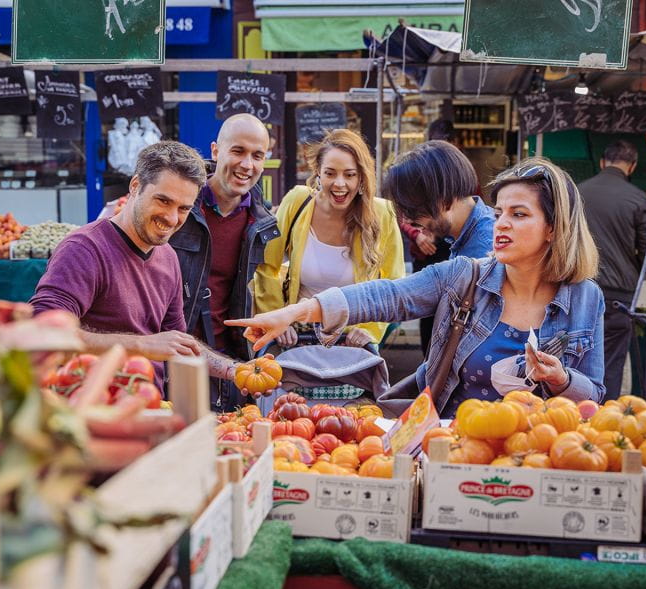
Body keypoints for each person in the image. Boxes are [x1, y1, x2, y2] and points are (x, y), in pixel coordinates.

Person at [229, 157, 606, 417]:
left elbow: (595, 395)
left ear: (553, 228)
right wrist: (294, 312)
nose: (502, 224)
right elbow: (388, 295)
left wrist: (562, 380)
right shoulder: (464, 276)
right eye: (499, 213)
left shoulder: (586, 299)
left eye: (519, 214)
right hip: (449, 449)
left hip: (541, 455)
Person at [30, 141, 240, 390]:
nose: (172, 218)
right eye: (163, 201)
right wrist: (141, 345)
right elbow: (43, 334)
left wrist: (235, 371)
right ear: (135, 186)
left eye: (184, 208)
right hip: (89, 404)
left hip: (149, 405)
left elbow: (178, 345)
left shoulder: (168, 257)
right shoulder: (84, 249)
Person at [253, 129, 404, 351]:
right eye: (330, 173)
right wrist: (278, 318)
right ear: (318, 173)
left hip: (353, 342)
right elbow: (267, 266)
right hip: (297, 338)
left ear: (361, 177)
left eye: (349, 175)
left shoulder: (382, 214)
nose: (339, 184)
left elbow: (395, 283)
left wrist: (371, 329)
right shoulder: (297, 201)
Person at [168, 113, 280, 411]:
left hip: (230, 363)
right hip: (173, 357)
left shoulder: (262, 221)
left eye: (257, 155)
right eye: (238, 151)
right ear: (216, 151)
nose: (247, 164)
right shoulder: (180, 206)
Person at [388, 141, 494, 355]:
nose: (407, 220)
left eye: (413, 211)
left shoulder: (483, 250)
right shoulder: (469, 234)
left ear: (445, 201)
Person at [577, 140, 646, 400]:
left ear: (602, 162)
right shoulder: (638, 199)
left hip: (579, 286)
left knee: (576, 354)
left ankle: (574, 413)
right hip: (620, 293)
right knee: (612, 359)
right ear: (632, 166)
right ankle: (605, 413)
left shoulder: (578, 193)